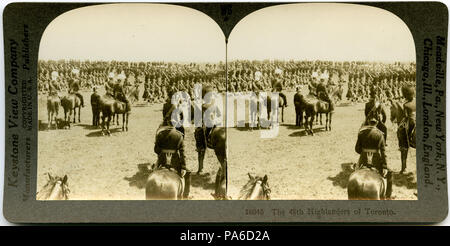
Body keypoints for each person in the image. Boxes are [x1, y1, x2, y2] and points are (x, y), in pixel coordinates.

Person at [154, 121, 191, 199]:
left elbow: (156, 150)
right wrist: (183, 167)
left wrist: (163, 153)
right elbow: (182, 153)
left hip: (162, 161)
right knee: (188, 174)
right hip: (175, 162)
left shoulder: (160, 135)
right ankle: (185, 196)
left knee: (153, 171)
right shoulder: (179, 135)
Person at [355, 113, 389, 178]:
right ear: (377, 122)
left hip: (363, 159)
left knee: (355, 172)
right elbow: (383, 152)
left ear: (368, 121)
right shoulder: (380, 134)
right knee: (387, 175)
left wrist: (364, 152)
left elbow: (357, 149)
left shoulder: (361, 133)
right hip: (376, 160)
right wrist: (385, 166)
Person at [397, 85, 416, 173]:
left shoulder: (406, 104)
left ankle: (404, 168)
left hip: (411, 122)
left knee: (402, 132)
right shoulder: (417, 101)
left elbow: (405, 117)